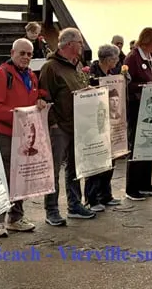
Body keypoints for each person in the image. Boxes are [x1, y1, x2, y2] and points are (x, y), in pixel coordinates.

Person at [0, 38, 45, 237]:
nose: (26, 57)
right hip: (5, 133)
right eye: (22, 53)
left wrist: (41, 98)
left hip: (23, 134)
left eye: (29, 54)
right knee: (3, 177)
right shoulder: (2, 74)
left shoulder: (30, 75)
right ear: (12, 53)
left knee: (21, 176)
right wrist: (17, 115)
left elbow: (33, 95)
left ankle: (16, 218)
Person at [40, 28, 96, 225]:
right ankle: (51, 210)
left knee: (75, 167)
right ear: (70, 44)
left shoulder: (77, 65)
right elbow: (44, 97)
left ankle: (74, 205)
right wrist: (53, 123)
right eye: (80, 42)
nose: (82, 45)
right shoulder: (50, 67)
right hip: (60, 127)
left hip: (77, 125)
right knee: (53, 169)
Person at [124, 27, 152, 201]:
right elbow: (126, 83)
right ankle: (132, 187)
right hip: (136, 106)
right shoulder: (132, 58)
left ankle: (145, 183)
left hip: (150, 105)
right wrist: (143, 86)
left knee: (149, 144)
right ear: (148, 40)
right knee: (136, 145)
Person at [84, 44, 122, 213]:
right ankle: (92, 198)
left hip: (110, 122)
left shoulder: (111, 74)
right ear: (107, 59)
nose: (118, 61)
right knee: (96, 162)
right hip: (95, 122)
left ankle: (106, 195)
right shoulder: (92, 74)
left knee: (110, 160)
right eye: (115, 58)